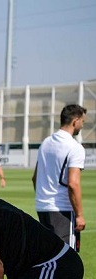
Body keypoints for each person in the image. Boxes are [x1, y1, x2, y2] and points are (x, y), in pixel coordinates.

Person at [33, 104, 87, 251]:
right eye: (82, 122)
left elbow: (35, 177)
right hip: (62, 209)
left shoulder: (45, 143)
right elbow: (73, 184)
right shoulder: (75, 147)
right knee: (67, 259)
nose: (82, 126)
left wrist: (43, 198)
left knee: (49, 256)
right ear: (75, 121)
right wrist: (80, 215)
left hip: (42, 207)